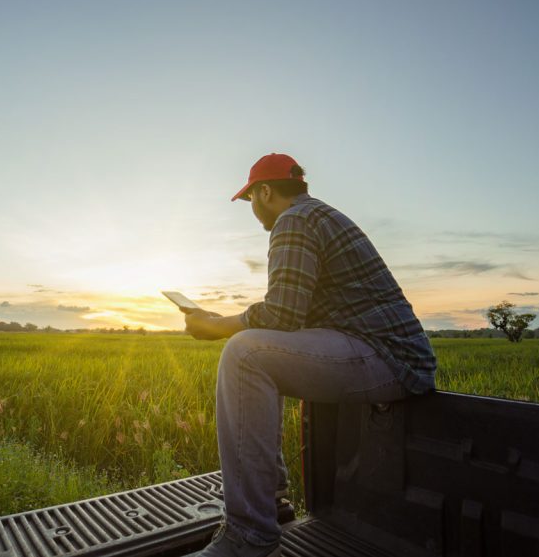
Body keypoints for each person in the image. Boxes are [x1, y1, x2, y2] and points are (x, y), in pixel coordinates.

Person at [184, 153, 437, 557]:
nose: (252, 210)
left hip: (388, 359)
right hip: (390, 354)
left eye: (250, 200)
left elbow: (281, 315)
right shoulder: (316, 215)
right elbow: (289, 318)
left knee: (244, 354)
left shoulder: (294, 221)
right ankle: (268, 496)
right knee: (256, 347)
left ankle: (249, 537)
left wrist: (215, 326)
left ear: (264, 192)